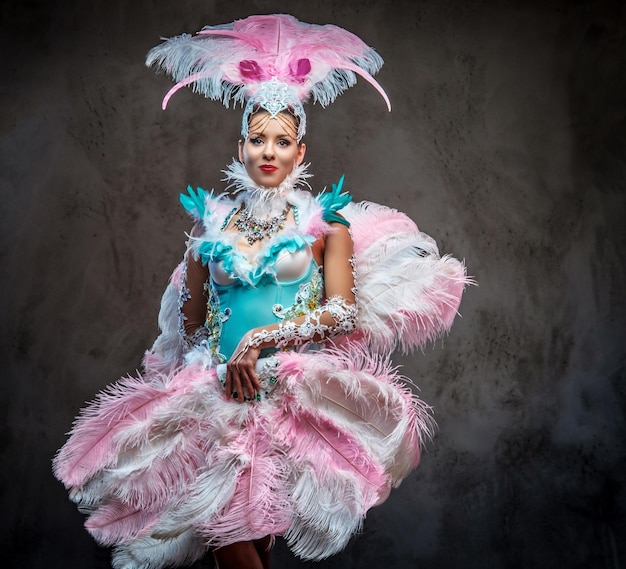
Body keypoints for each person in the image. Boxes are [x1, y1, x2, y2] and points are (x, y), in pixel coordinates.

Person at [53, 14, 470, 569]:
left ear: (300, 151)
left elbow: (340, 312)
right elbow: (195, 320)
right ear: (242, 147)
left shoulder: (328, 227)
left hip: (286, 394)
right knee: (233, 536)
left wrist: (261, 339)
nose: (268, 151)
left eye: (281, 140)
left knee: (249, 540)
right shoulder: (210, 228)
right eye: (257, 139)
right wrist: (210, 347)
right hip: (218, 395)